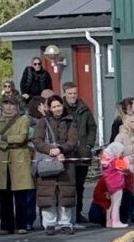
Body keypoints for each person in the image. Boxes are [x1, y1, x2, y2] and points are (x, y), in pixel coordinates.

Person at [34, 94, 80, 233]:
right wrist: (51, 151)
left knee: (65, 194)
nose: (57, 109)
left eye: (59, 106)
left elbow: (73, 141)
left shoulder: (70, 122)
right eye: (54, 106)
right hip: (48, 160)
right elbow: (37, 140)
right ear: (50, 108)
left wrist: (61, 150)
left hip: (66, 162)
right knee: (48, 194)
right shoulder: (43, 122)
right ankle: (49, 223)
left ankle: (65, 223)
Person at [0, 96, 36, 235]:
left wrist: (4, 138)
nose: (9, 107)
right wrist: (6, 144)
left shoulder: (23, 120)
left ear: (16, 106)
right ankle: (6, 225)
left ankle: (21, 224)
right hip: (2, 158)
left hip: (19, 158)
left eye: (11, 104)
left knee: (20, 194)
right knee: (4, 195)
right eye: (6, 104)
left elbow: (22, 137)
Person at [62, 82, 99, 222]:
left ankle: (78, 213)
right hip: (67, 154)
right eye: (70, 93)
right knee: (67, 187)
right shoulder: (61, 108)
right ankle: (68, 215)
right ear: (65, 93)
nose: (73, 96)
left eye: (75, 93)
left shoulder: (84, 109)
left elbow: (92, 127)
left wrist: (89, 144)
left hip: (82, 153)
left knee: (79, 186)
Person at [111, 100, 134, 220]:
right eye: (132, 122)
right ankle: (125, 215)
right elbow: (115, 154)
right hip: (128, 170)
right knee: (128, 192)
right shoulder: (120, 136)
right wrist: (122, 168)